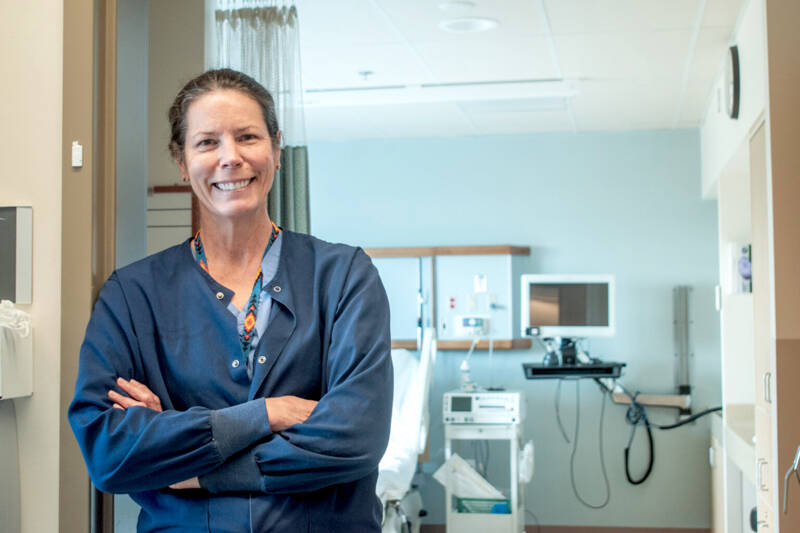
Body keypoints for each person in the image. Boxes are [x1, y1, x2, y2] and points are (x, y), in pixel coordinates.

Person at [68, 68, 393, 532]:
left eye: (247, 137)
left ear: (276, 151)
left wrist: (191, 465)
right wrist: (268, 413)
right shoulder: (132, 295)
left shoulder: (343, 276)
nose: (230, 158)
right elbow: (108, 455)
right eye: (206, 143)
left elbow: (357, 438)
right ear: (181, 162)